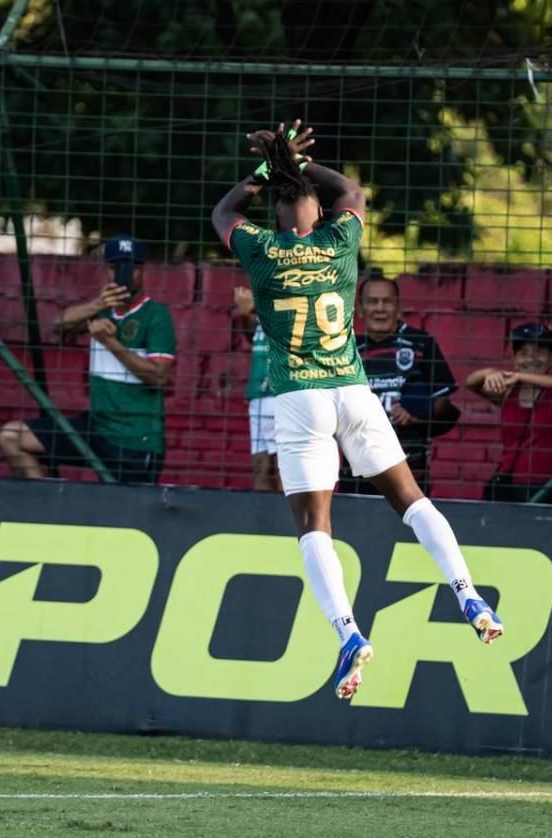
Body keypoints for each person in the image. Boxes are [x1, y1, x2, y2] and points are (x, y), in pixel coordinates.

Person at [211, 120, 502, 702]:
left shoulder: (262, 252)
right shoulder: (340, 244)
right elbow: (352, 192)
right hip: (354, 391)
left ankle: (347, 633)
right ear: (318, 216)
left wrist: (270, 168)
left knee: (314, 524)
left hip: (299, 400)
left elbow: (223, 212)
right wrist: (298, 161)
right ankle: (467, 591)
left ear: (277, 218)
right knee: (412, 500)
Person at [0, 236, 175, 483]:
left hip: (135, 437)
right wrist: (99, 303)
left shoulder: (156, 314)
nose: (122, 274)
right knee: (11, 436)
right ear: (106, 270)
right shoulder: (101, 308)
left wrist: (111, 343)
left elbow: (160, 376)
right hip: (96, 426)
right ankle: (47, 511)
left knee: (122, 513)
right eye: (115, 267)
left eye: (131, 268)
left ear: (143, 271)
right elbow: (59, 324)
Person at [338, 274, 459, 494]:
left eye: (388, 301)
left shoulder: (422, 343)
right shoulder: (346, 350)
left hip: (410, 468)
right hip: (357, 468)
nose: (380, 308)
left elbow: (445, 405)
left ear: (398, 307)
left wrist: (416, 417)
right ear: (361, 309)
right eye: (372, 301)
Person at [466, 323, 552, 504]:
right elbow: (471, 383)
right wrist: (489, 372)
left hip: (550, 486)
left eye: (539, 352)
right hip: (511, 483)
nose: (531, 359)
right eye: (523, 353)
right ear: (514, 358)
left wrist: (519, 376)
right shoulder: (508, 391)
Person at [233, 285, 280, 491]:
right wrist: (245, 314)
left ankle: (287, 520)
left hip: (281, 391)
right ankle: (264, 522)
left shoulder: (291, 284)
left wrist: (257, 307)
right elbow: (253, 334)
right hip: (258, 390)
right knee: (261, 465)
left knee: (283, 466)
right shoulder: (263, 282)